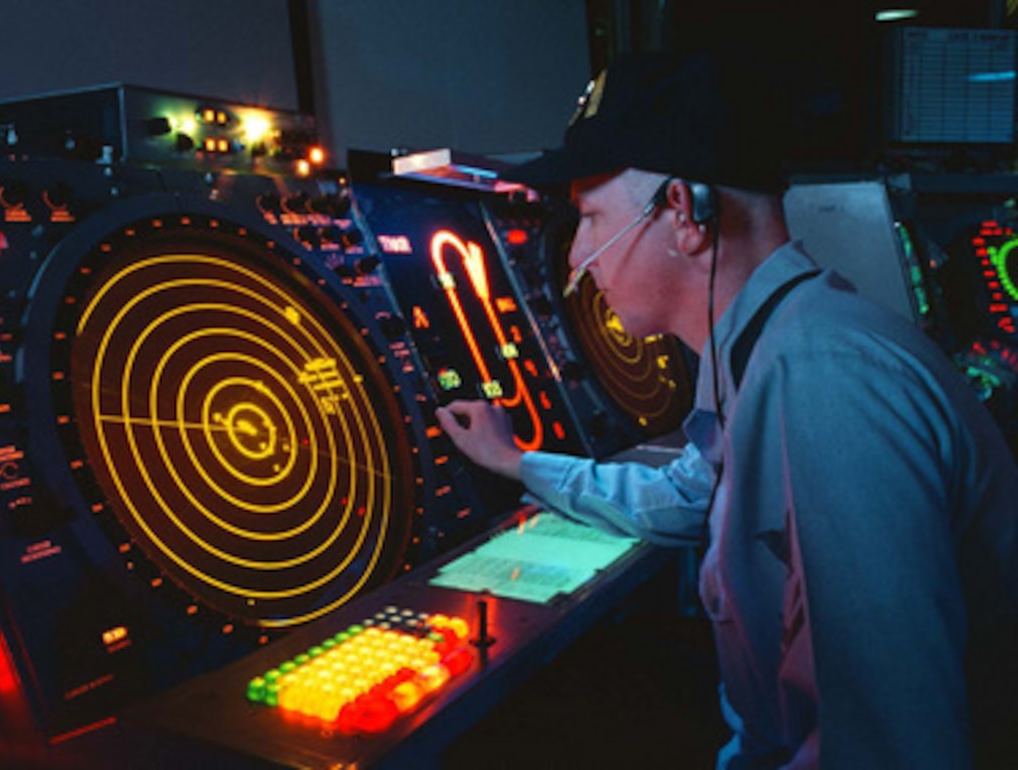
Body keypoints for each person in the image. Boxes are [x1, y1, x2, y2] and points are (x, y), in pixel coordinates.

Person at [435, 51, 1018, 769]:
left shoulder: (825, 382)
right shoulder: (772, 344)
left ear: (684, 212)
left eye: (587, 219)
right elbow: (688, 493)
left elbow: (887, 746)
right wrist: (517, 461)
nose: (578, 259)